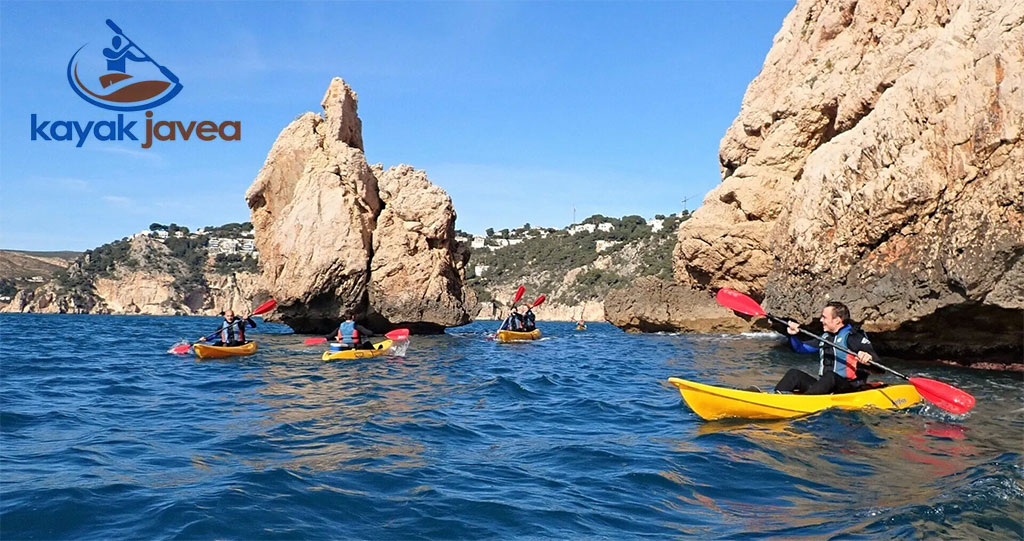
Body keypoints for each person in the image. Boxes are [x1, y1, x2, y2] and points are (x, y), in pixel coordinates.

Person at [774, 301, 882, 395]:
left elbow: (880, 368)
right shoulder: (825, 337)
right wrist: (793, 335)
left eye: (824, 317)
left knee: (831, 376)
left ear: (837, 320)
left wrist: (869, 360)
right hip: (826, 386)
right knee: (794, 374)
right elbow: (801, 349)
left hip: (849, 388)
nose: (821, 320)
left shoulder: (854, 337)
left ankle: (806, 401)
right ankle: (776, 398)